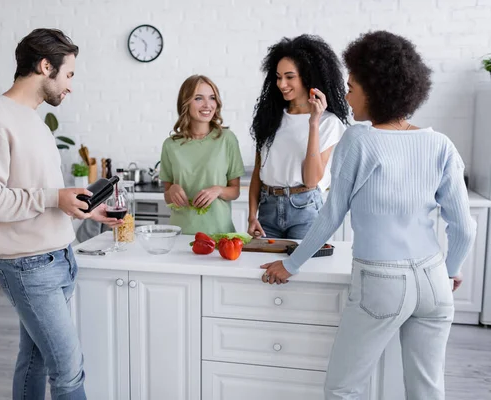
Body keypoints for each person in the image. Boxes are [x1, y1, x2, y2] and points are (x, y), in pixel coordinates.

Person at [260, 31, 475, 399]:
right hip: (434, 281)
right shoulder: (440, 144)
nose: (346, 94)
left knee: (343, 388)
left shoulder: (358, 140)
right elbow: (465, 228)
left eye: (352, 86)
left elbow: (329, 217)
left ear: (375, 90)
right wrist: (452, 269)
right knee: (428, 390)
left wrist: (291, 265)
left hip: (382, 281)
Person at [0, 28, 121, 400]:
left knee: (34, 360)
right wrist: (53, 197)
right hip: (27, 266)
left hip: (57, 258)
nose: (69, 86)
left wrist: (82, 210)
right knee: (68, 371)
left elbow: (42, 196)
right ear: (45, 66)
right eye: (68, 75)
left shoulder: (35, 121)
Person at [247, 35, 349, 239]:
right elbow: (258, 172)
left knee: (304, 270)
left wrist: (313, 123)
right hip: (267, 210)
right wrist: (251, 216)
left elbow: (311, 181)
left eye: (289, 76)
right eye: (278, 76)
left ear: (307, 77)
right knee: (263, 271)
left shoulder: (328, 122)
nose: (281, 83)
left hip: (306, 209)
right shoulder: (270, 118)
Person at [160, 75, 245, 235]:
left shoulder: (227, 139)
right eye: (198, 98)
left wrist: (218, 190)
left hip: (219, 234)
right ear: (185, 103)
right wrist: (172, 191)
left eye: (212, 98)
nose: (207, 105)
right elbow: (167, 194)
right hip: (181, 233)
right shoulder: (170, 145)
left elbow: (235, 191)